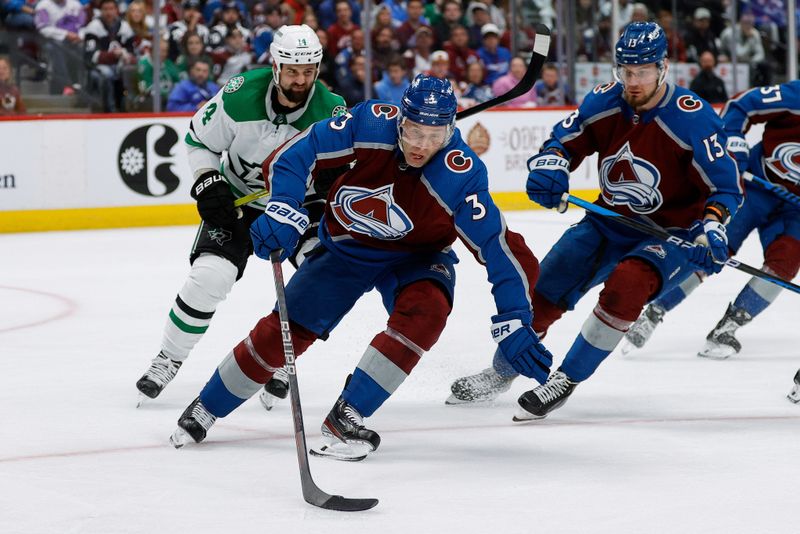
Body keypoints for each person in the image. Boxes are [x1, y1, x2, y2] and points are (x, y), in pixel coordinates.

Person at [168, 74, 553, 460]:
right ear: (400, 119)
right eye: (415, 131)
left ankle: (347, 414)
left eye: (435, 136)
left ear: (451, 130)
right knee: (284, 332)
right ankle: (206, 406)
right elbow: (296, 153)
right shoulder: (369, 124)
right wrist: (284, 207)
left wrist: (517, 317)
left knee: (428, 310)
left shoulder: (461, 174)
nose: (422, 146)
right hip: (347, 247)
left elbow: (501, 248)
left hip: (417, 257)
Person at [447, 22, 743, 420]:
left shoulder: (693, 118)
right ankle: (503, 371)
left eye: (642, 72)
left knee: (627, 286)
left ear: (663, 68)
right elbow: (561, 141)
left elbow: (726, 188)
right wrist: (550, 166)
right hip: (608, 221)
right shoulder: (605, 101)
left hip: (669, 233)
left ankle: (565, 380)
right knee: (545, 289)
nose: (632, 81)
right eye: (625, 71)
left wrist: (712, 228)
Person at [136, 25, 347, 410]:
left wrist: (338, 174)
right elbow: (199, 141)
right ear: (276, 65)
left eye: (308, 71)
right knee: (209, 277)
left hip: (298, 206)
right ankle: (168, 358)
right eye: (293, 71)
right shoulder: (240, 95)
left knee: (322, 277)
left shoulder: (331, 109)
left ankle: (283, 358)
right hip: (237, 200)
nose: (301, 81)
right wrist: (207, 180)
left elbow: (352, 163)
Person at [622, 80, 800, 359]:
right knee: (713, 248)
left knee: (786, 262)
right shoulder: (795, 96)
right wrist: (736, 153)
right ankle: (655, 310)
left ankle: (727, 328)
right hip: (752, 188)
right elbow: (740, 105)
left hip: (795, 211)